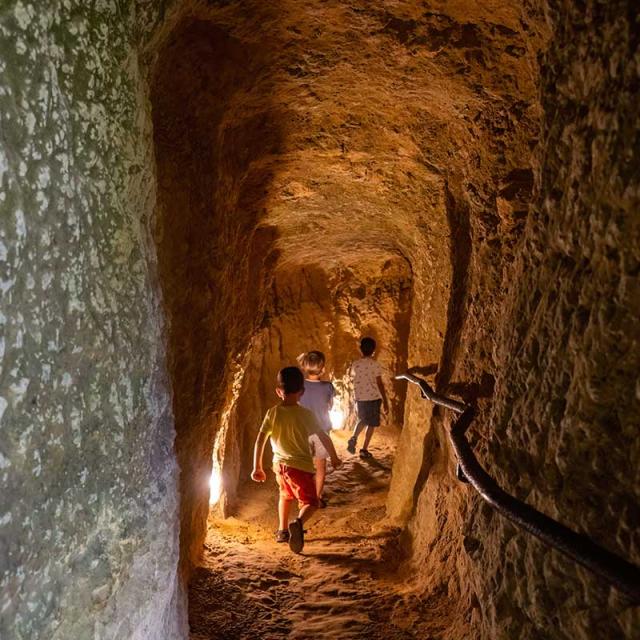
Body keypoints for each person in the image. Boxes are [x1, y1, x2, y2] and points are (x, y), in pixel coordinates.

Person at [251, 366, 341, 553]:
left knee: (285, 496)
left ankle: (282, 531)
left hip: (279, 466)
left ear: (278, 391)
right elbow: (323, 436)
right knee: (311, 502)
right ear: (301, 392)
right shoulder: (306, 415)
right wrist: (333, 456)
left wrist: (257, 466)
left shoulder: (272, 413)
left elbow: (260, 440)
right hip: (300, 467)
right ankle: (298, 523)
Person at [297, 351, 335, 507]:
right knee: (320, 467)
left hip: (302, 431)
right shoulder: (328, 387)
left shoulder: (300, 386)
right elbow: (330, 405)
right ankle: (316, 498)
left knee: (304, 466)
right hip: (321, 432)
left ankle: (303, 498)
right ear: (323, 369)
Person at [347, 337, 389, 458]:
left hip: (360, 398)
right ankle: (364, 449)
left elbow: (352, 378)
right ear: (374, 350)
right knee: (371, 424)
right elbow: (379, 383)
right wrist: (385, 400)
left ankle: (354, 437)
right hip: (374, 398)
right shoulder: (375, 365)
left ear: (360, 350)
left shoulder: (355, 365)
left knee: (362, 420)